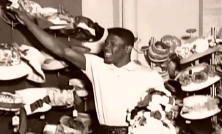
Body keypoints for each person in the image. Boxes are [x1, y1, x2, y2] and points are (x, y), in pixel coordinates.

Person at [10, 5, 171, 134]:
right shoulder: (98, 66)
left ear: (128, 48)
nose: (107, 47)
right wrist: (27, 21)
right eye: (106, 43)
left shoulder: (149, 75)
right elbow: (61, 50)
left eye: (113, 44)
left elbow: (163, 111)